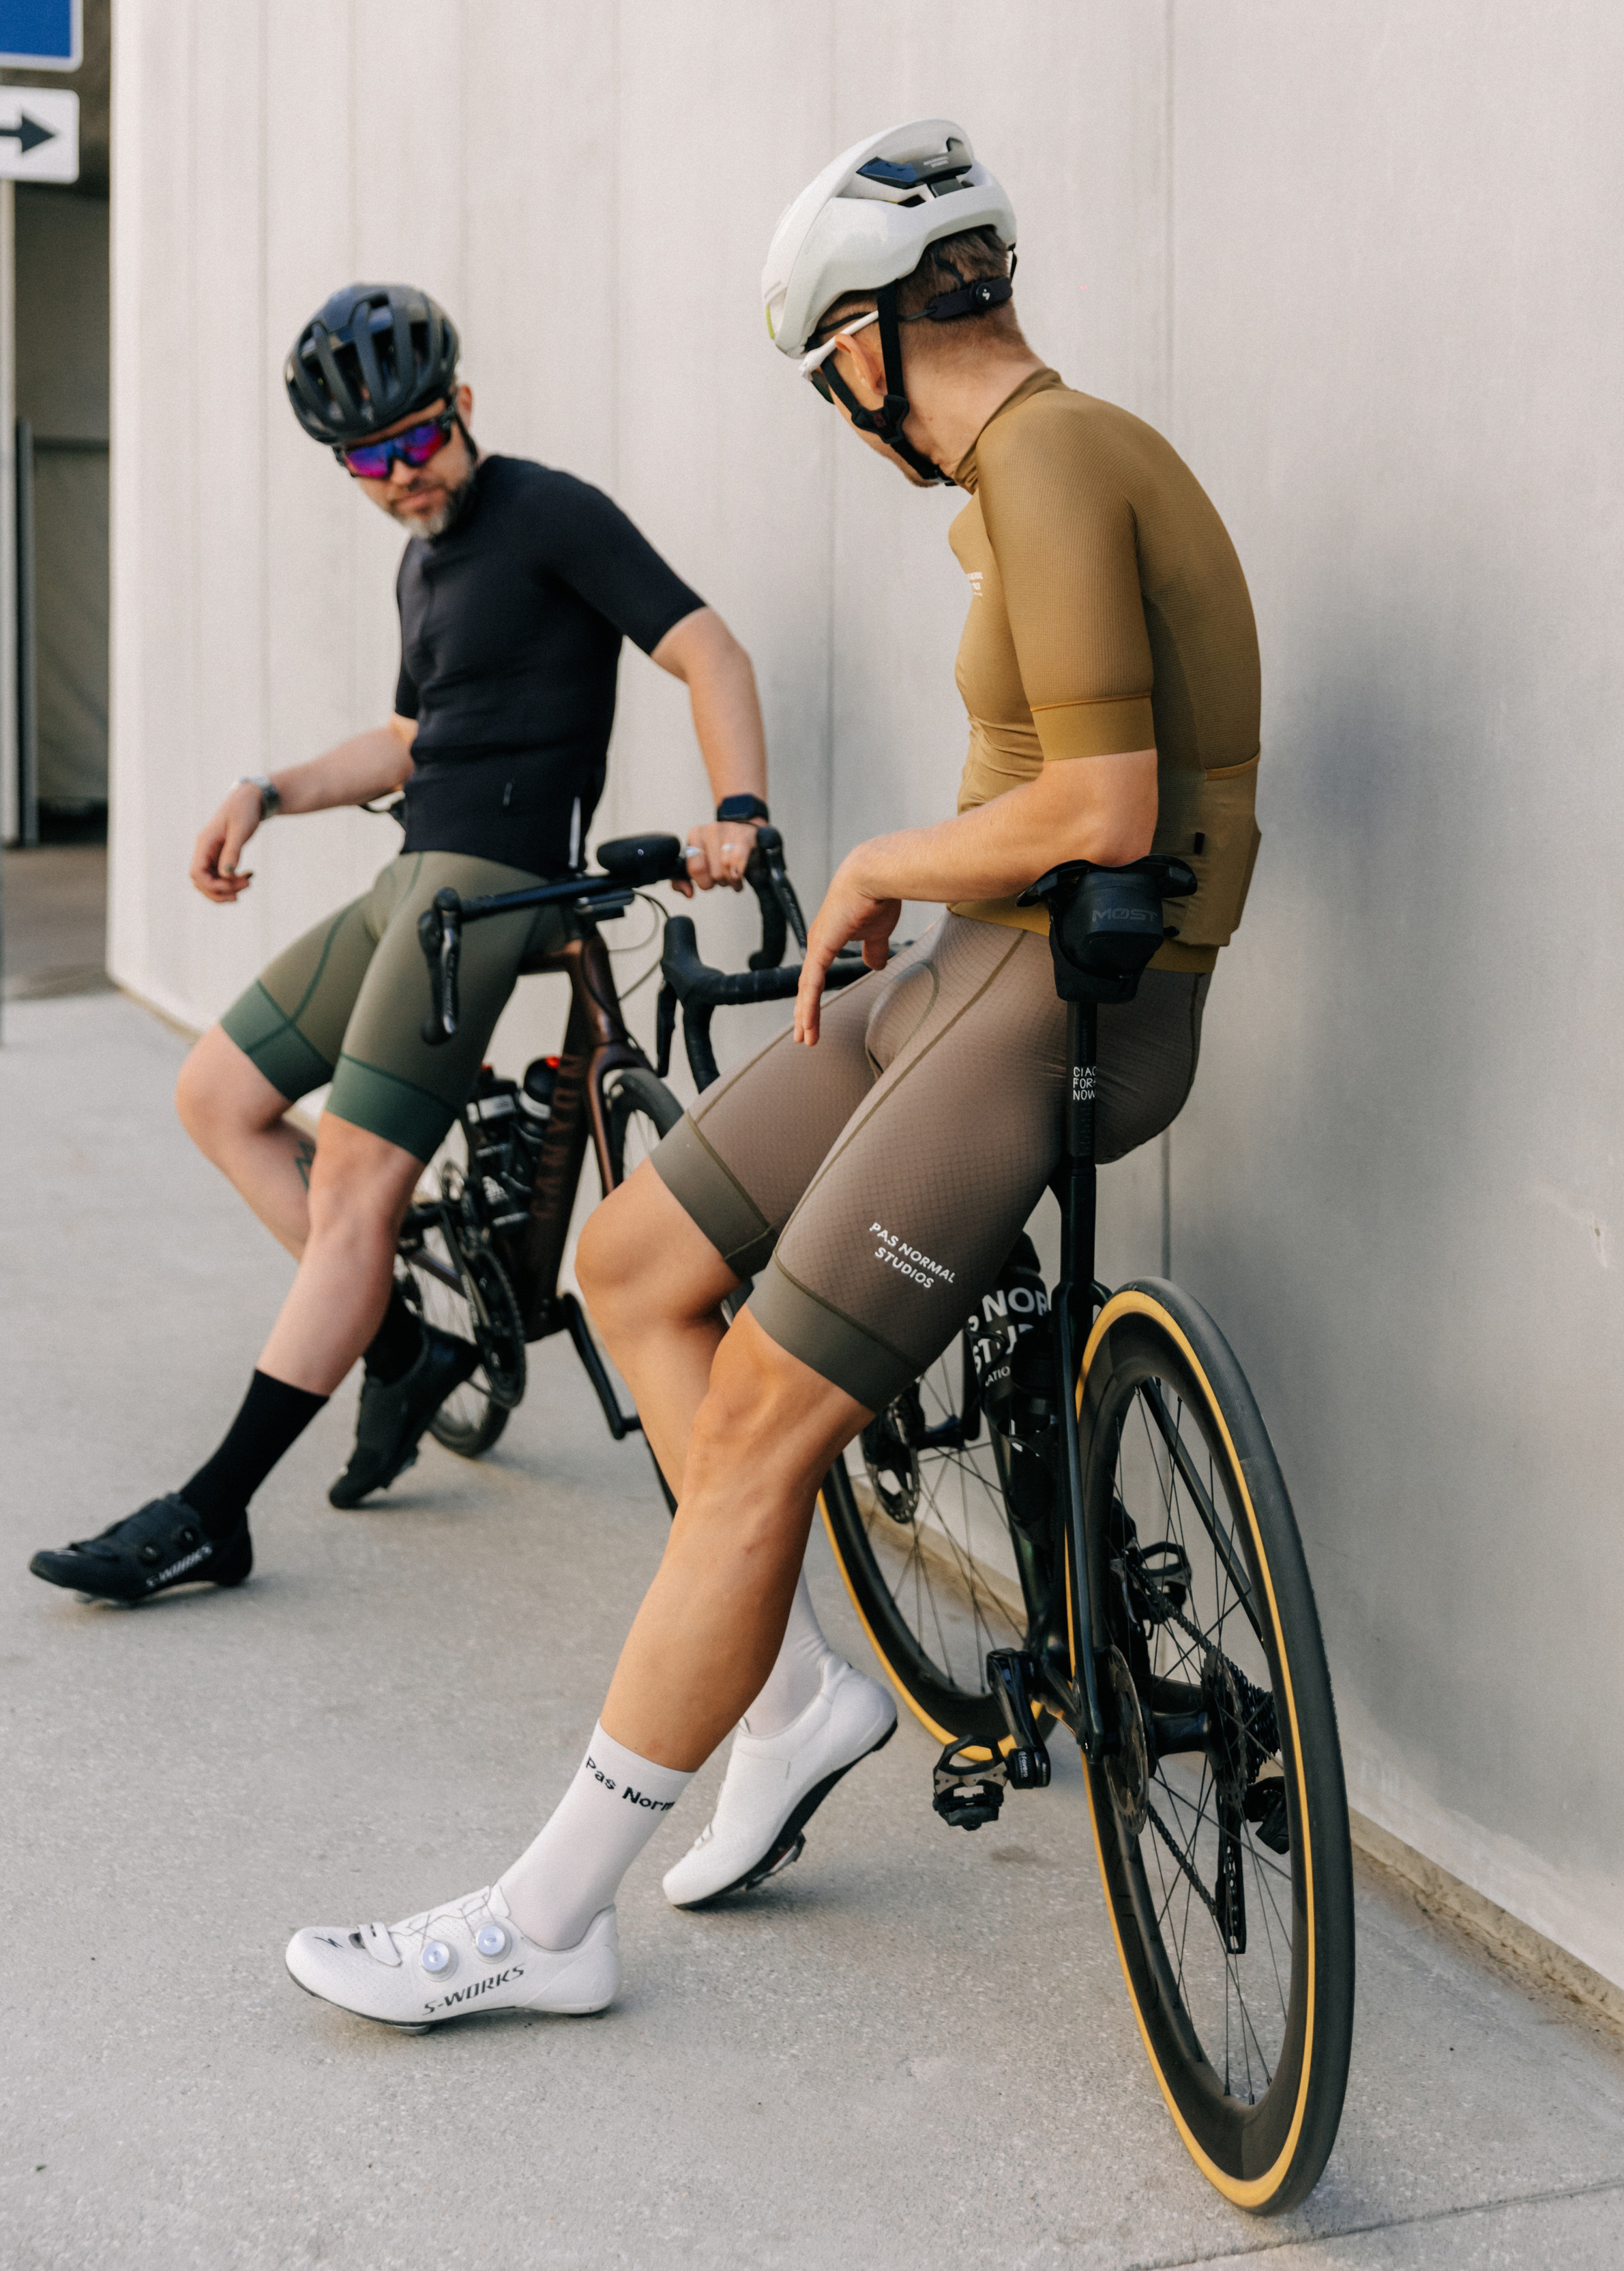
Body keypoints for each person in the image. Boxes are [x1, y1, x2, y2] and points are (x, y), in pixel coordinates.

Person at [282, 118, 1263, 2016]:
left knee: (748, 1423)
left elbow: (1112, 802)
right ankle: (800, 1689)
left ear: (871, 342)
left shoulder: (1051, 456)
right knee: (630, 1263)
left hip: (1065, 1000)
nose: (843, 416)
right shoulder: (1044, 469)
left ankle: (545, 1921)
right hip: (971, 972)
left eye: (832, 380)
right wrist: (922, 889)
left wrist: (889, 858)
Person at [29, 282, 776, 1602]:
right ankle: (397, 1351)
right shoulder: (418, 558)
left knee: (355, 1187)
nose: (397, 474)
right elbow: (412, 738)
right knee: (218, 1094)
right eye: (364, 459)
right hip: (410, 877)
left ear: (464, 410)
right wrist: (265, 791)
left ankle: (215, 1509)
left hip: (494, 883)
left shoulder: (550, 512)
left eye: (416, 439)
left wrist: (738, 808)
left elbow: (708, 650)